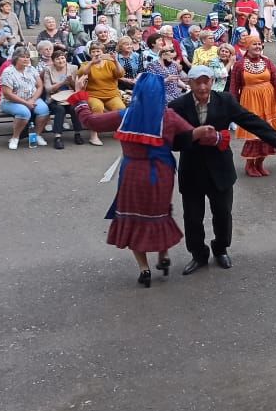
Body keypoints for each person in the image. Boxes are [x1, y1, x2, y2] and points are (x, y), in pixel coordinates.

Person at [69, 73, 194, 288]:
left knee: (135, 218)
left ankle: (144, 269)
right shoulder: (170, 117)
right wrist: (216, 136)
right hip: (160, 173)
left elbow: (91, 121)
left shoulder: (125, 115)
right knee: (160, 213)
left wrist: (81, 97)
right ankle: (163, 255)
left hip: (133, 173)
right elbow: (192, 134)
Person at [168, 65, 276, 275]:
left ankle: (221, 248)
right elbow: (171, 141)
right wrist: (194, 136)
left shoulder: (225, 100)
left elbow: (249, 120)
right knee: (193, 218)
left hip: (220, 169)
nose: (203, 86)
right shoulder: (177, 106)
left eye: (206, 81)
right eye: (198, 81)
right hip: (192, 170)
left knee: (223, 214)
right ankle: (198, 255)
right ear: (189, 83)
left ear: (212, 81)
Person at [229, 38, 276, 176]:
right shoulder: (239, 65)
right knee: (254, 134)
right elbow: (234, 87)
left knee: (268, 133)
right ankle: (250, 165)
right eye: (254, 44)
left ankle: (260, 163)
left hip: (269, 101)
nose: (258, 46)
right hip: (251, 101)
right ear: (247, 47)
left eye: (259, 44)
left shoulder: (267, 62)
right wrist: (233, 107)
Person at [0, 48, 52, 149]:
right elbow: (7, 94)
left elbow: (40, 86)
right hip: (11, 101)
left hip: (31, 98)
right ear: (15, 58)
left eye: (28, 57)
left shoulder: (31, 69)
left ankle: (37, 135)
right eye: (23, 57)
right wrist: (26, 103)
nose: (26, 59)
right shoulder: (8, 72)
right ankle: (15, 138)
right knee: (24, 112)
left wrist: (32, 100)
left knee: (44, 109)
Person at [77, 42, 125, 145]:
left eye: (98, 51)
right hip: (93, 94)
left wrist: (116, 61)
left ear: (103, 52)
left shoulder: (109, 63)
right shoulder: (86, 64)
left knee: (121, 108)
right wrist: (91, 63)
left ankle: (118, 131)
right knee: (97, 107)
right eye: (93, 51)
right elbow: (82, 73)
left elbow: (120, 74)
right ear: (90, 54)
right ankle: (93, 136)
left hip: (112, 94)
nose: (96, 53)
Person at [42, 46, 83, 148]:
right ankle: (57, 137)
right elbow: (48, 89)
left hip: (69, 97)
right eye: (58, 59)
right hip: (54, 98)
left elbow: (77, 87)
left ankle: (77, 133)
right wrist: (62, 83)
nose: (61, 61)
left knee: (74, 108)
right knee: (60, 109)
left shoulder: (73, 68)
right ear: (53, 61)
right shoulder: (48, 70)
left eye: (63, 58)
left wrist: (71, 82)